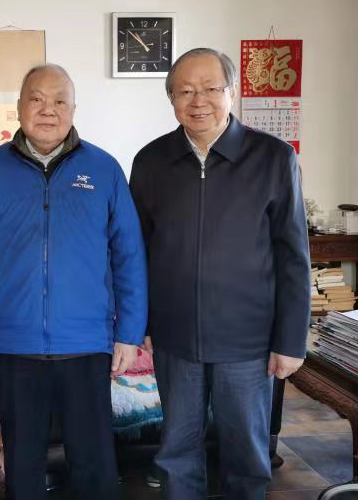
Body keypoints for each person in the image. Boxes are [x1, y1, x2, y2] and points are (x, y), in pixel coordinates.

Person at [129, 48, 311, 499]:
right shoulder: (151, 161)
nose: (199, 101)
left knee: (246, 455)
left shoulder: (274, 157)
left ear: (232, 92)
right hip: (175, 338)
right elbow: (137, 252)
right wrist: (141, 324)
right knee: (176, 453)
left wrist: (291, 340)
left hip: (248, 341)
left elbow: (293, 256)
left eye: (211, 88)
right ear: (171, 98)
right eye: (185, 91)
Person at [0, 64, 148, 500]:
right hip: (14, 346)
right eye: (37, 99)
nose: (48, 110)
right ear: (19, 107)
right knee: (23, 466)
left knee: (94, 466)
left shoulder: (103, 169)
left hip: (86, 345)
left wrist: (129, 333)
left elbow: (129, 255)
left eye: (59, 100)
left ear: (74, 109)